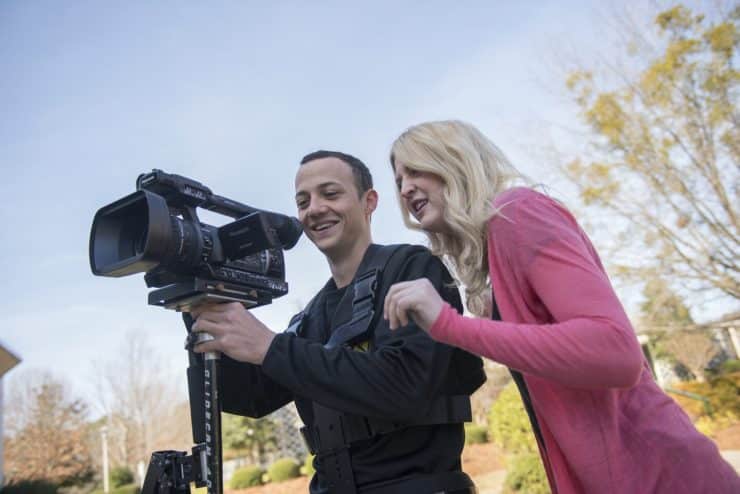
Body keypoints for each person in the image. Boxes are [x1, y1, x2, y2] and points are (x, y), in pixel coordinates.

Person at [383, 120, 740, 494]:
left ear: (454, 161)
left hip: (663, 477)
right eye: (399, 180)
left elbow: (616, 349)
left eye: (416, 169)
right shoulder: (498, 253)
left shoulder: (518, 212)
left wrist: (447, 323)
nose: (406, 188)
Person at [189, 150, 486, 494]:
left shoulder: (412, 269)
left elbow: (405, 385)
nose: (314, 209)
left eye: (330, 194)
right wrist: (200, 309)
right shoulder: (308, 318)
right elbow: (248, 398)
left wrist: (271, 346)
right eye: (303, 201)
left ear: (369, 201)